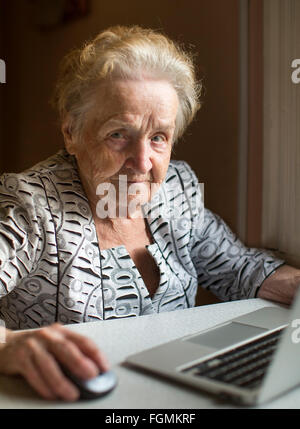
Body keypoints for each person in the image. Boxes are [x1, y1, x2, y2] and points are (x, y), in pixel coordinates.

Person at [0, 25, 299, 402]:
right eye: (118, 134)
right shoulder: (30, 204)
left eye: (159, 137)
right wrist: (7, 347)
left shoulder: (176, 189)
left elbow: (237, 268)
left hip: (179, 394)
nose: (142, 161)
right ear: (71, 131)